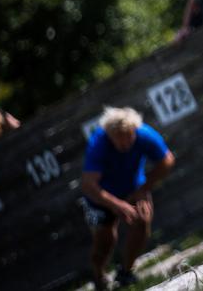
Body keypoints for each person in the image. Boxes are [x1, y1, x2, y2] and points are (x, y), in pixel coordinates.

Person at [81, 107, 175, 290]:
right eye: (119, 137)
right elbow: (88, 185)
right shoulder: (99, 142)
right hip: (101, 196)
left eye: (129, 136)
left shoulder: (145, 134)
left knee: (142, 220)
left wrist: (144, 189)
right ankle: (99, 274)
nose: (125, 142)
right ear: (110, 135)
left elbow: (167, 161)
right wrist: (117, 205)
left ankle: (126, 271)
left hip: (133, 187)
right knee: (105, 239)